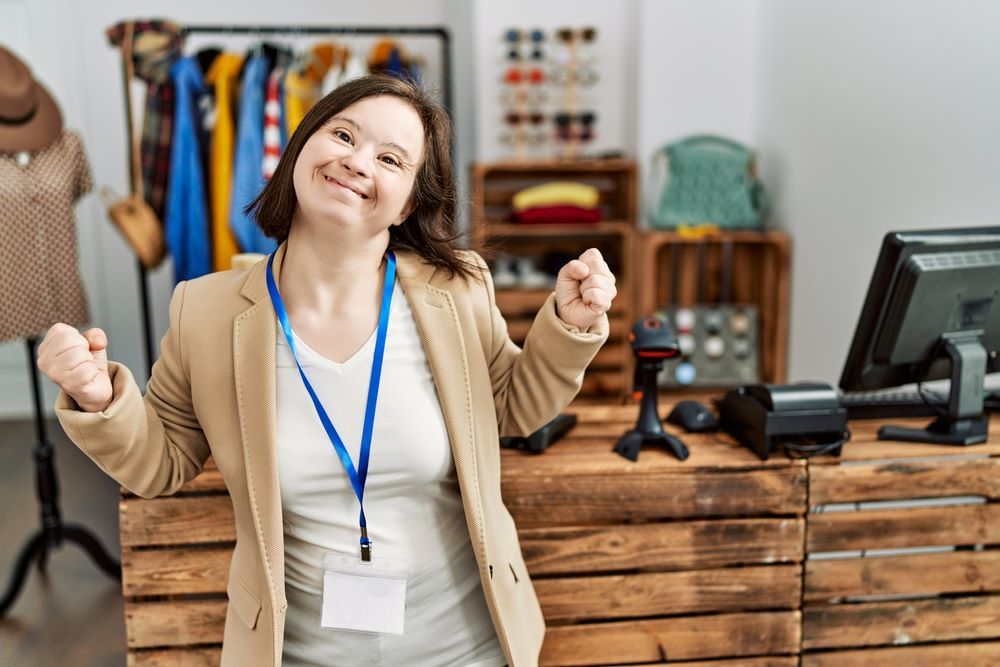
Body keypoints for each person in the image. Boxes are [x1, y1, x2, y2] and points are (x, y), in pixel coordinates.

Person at [37, 75, 616, 667]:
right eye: (342, 133)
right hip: (298, 655)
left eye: (390, 158)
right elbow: (161, 464)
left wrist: (566, 326)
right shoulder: (204, 310)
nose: (356, 160)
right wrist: (96, 395)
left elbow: (512, 409)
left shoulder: (456, 288)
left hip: (468, 648)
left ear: (410, 200)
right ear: (300, 149)